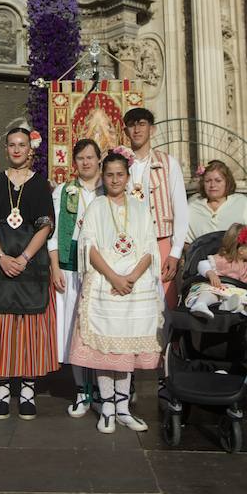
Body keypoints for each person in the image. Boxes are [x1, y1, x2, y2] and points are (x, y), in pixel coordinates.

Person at [69, 150, 162, 433]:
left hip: (134, 287)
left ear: (127, 176)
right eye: (109, 174)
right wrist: (113, 277)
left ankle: (123, 407)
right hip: (105, 284)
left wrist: (131, 277)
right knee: (104, 349)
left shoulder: (139, 207)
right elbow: (90, 247)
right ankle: (107, 406)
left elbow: (149, 248)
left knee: (126, 349)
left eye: (120, 174)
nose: (114, 179)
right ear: (103, 175)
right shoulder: (96, 206)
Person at [0, 127, 59, 420]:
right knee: (0, 326)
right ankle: (1, 389)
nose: (16, 150)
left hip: (30, 264)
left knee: (29, 330)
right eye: (11, 144)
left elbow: (46, 225)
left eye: (21, 145)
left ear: (30, 150)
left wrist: (23, 257)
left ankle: (26, 390)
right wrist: (0, 256)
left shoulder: (40, 185)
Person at [51, 139, 103, 417]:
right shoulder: (64, 191)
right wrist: (55, 266)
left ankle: (104, 389)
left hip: (102, 270)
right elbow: (53, 233)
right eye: (81, 158)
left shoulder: (108, 190)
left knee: (100, 326)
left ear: (99, 160)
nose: (86, 162)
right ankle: (82, 389)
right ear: (74, 161)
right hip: (71, 266)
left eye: (90, 157)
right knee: (76, 328)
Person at [122, 108, 189, 306]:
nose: (137, 130)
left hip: (160, 239)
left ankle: (165, 338)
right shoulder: (119, 164)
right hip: (129, 241)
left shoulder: (168, 163)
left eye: (141, 124)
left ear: (152, 129)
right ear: (126, 131)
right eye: (132, 125)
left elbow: (181, 210)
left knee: (164, 300)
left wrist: (175, 252)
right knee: (131, 297)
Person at [185, 224, 247, 320]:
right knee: (210, 293)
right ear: (241, 250)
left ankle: (227, 306)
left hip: (232, 292)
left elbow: (243, 282)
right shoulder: (223, 260)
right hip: (215, 287)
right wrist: (210, 273)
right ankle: (200, 304)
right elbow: (202, 264)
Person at [186, 160, 247, 247]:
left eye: (218, 181)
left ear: (227, 182)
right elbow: (185, 241)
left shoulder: (243, 203)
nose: (212, 185)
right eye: (208, 181)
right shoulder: (193, 206)